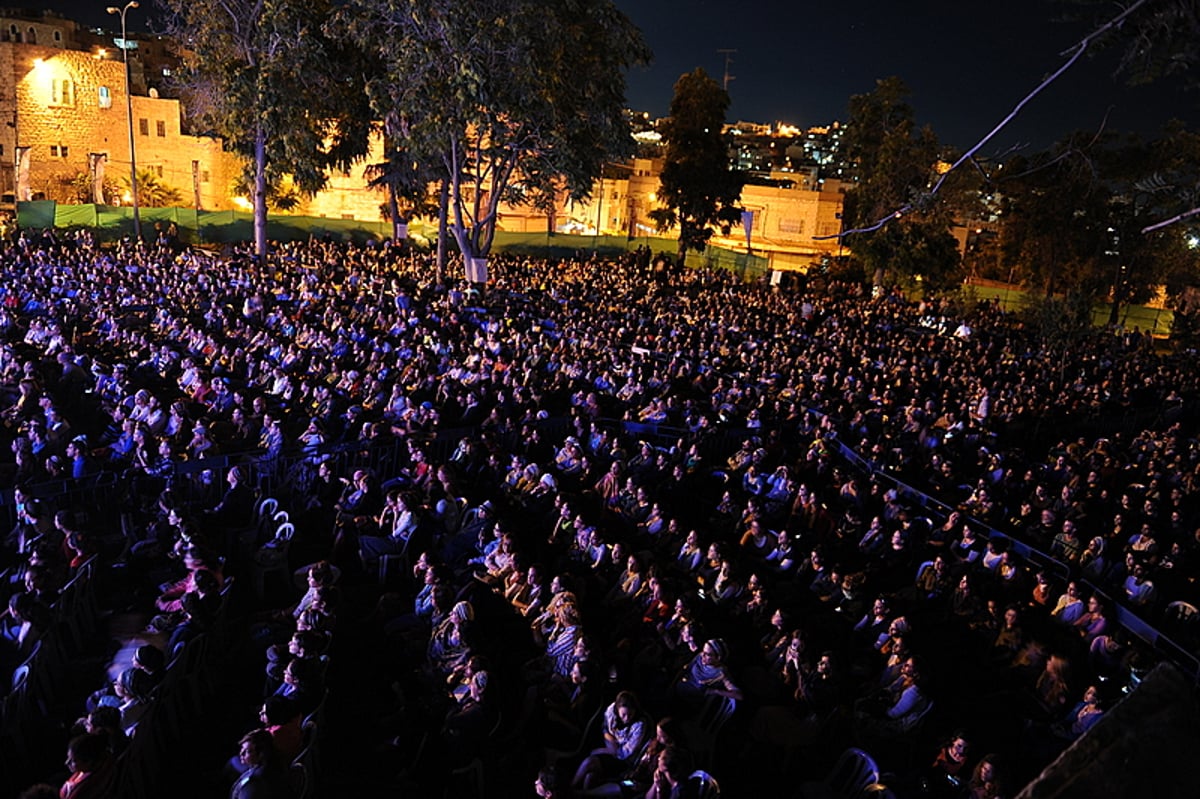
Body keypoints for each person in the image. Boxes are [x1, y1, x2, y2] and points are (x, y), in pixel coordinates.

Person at [229, 729, 289, 799]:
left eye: (248, 751)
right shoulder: (271, 766)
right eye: (242, 748)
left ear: (261, 754)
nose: (241, 753)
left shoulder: (255, 782)